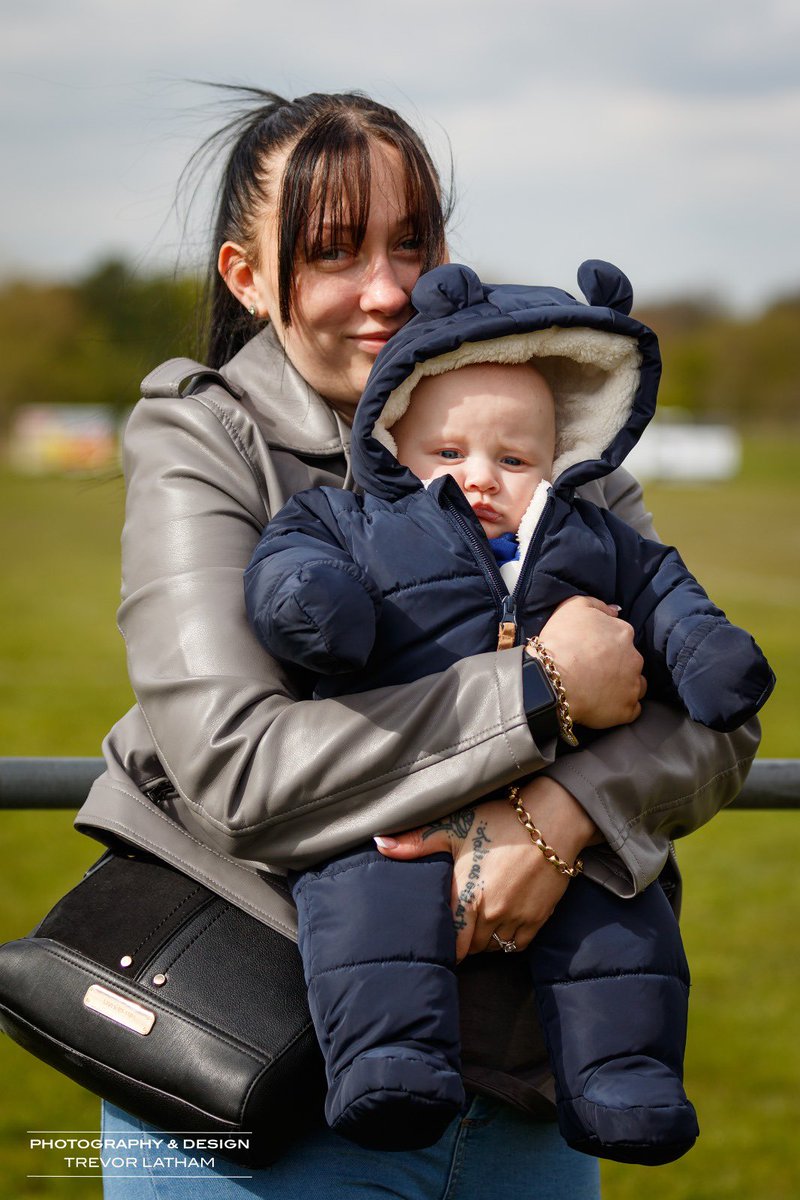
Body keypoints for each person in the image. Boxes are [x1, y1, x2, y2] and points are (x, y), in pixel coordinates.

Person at [76, 89, 761, 1199]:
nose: (385, 288)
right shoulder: (205, 435)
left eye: (412, 241)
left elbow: (717, 723)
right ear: (247, 278)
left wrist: (555, 819)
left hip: (533, 1100)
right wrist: (539, 694)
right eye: (333, 251)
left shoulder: (551, 441)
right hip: (263, 1083)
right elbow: (235, 763)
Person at [243, 261, 773, 1164]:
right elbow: (290, 566)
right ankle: (389, 1066)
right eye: (448, 455)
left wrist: (705, 651)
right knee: (370, 913)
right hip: (397, 793)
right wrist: (318, 606)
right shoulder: (356, 522)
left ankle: (624, 1081)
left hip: (562, 798)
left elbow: (669, 593)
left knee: (621, 926)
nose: (479, 479)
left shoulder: (591, 539)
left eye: (514, 459)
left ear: (559, 464)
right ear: (392, 443)